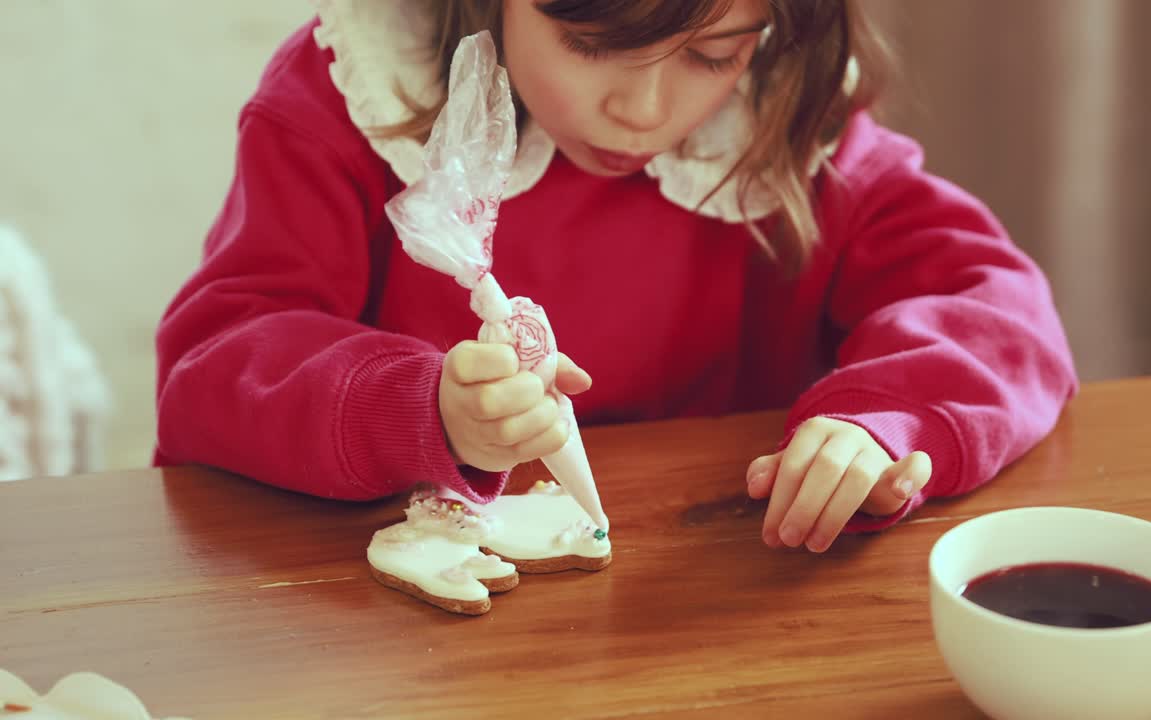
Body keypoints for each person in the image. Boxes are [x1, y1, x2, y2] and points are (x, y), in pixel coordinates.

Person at [154, 0, 1078, 553]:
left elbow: (990, 308)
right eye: (594, 43)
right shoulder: (360, 101)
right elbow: (215, 366)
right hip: (384, 637)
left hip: (708, 605)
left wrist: (883, 424)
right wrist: (421, 410)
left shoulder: (782, 126)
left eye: (713, 54)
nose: (643, 109)